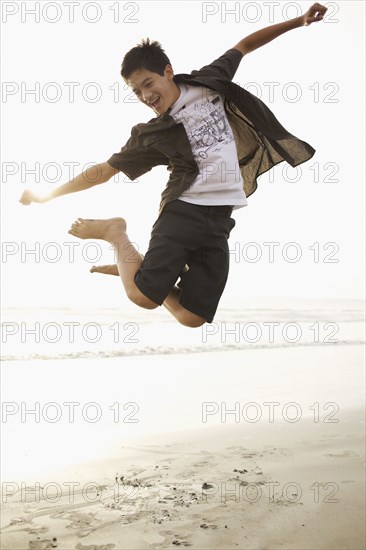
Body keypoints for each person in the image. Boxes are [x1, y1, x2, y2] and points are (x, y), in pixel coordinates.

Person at [19, 3, 328, 328]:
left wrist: (300, 20)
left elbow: (244, 45)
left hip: (221, 219)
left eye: (149, 83)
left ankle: (137, 268)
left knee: (193, 317)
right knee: (142, 298)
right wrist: (47, 195)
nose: (145, 95)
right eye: (136, 91)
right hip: (183, 212)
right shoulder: (152, 135)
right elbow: (104, 170)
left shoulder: (208, 82)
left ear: (168, 71)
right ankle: (116, 236)